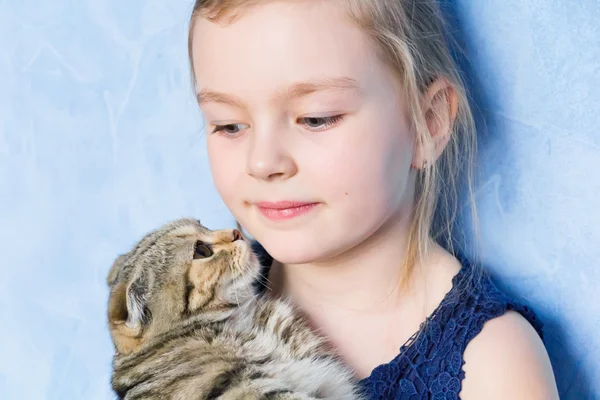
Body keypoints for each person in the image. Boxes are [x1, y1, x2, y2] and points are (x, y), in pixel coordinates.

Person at [187, 1, 559, 398]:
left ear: (427, 122)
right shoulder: (194, 317)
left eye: (316, 118)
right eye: (229, 125)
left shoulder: (493, 364)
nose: (262, 162)